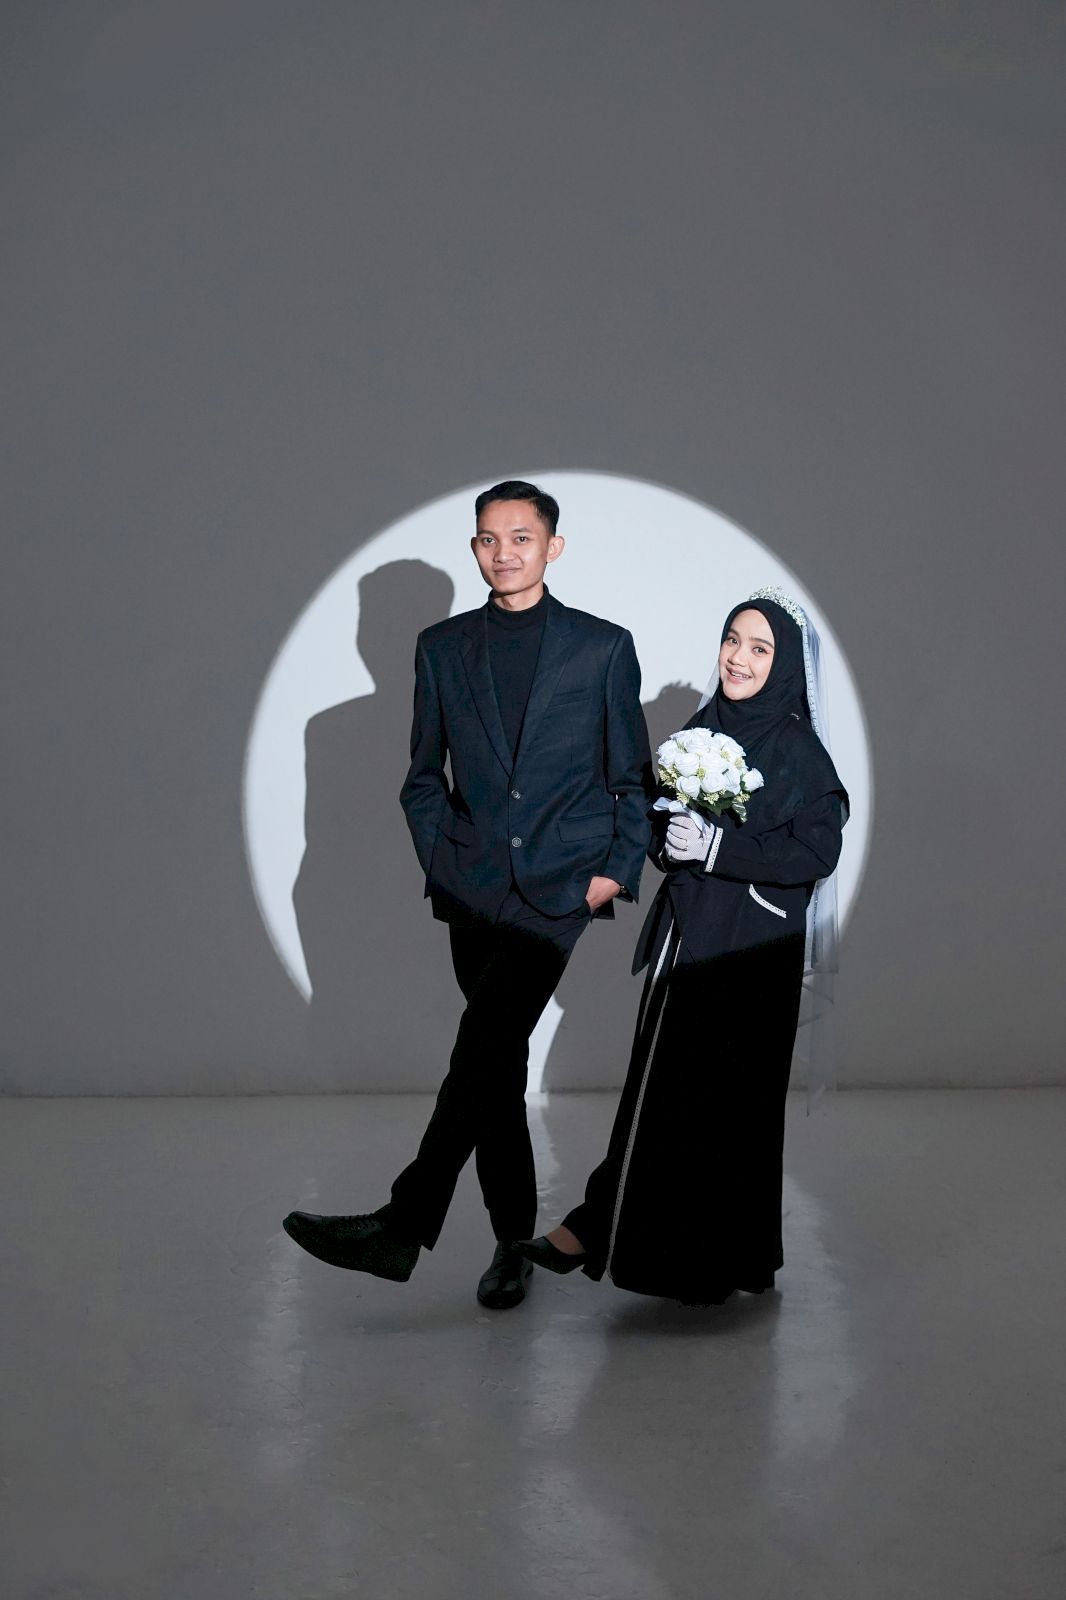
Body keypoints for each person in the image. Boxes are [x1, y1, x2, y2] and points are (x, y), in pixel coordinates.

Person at [283, 480, 652, 1308]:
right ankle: (512, 1243)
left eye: (521, 537)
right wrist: (444, 861)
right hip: (473, 891)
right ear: (475, 549)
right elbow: (422, 777)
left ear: (553, 547)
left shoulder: (601, 647)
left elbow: (632, 778)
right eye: (489, 538)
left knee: (481, 1047)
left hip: (558, 892)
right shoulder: (442, 649)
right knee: (495, 1065)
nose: (504, 552)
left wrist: (611, 873)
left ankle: (403, 1221)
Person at [516, 588, 848, 1305]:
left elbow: (817, 851)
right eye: (732, 639)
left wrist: (719, 847)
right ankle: (608, 1229)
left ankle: (702, 1256)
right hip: (689, 939)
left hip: (750, 954)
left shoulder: (799, 750)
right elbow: (669, 827)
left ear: (787, 665)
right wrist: (673, 844)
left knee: (726, 1103)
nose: (738, 658)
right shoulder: (706, 727)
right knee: (662, 1086)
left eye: (759, 648)